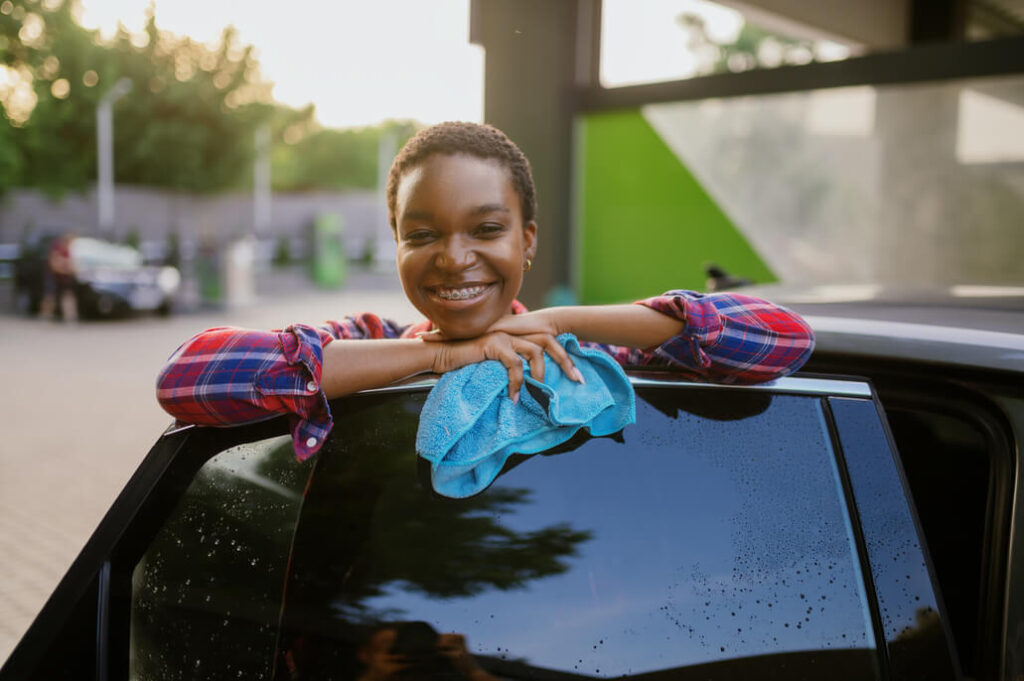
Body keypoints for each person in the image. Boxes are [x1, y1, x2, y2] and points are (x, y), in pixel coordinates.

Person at [156, 121, 815, 460]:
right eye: (421, 234)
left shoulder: (588, 358)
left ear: (528, 239)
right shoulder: (367, 345)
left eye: (487, 228)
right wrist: (439, 357)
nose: (453, 257)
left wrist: (552, 319)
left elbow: (785, 339)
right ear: (396, 243)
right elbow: (186, 377)